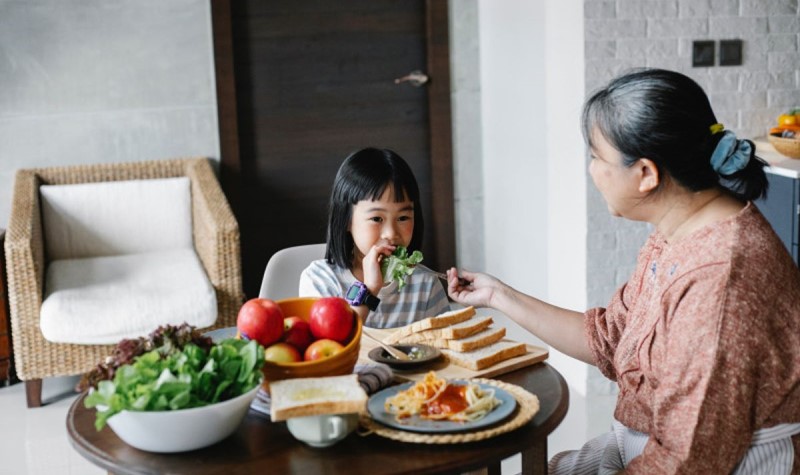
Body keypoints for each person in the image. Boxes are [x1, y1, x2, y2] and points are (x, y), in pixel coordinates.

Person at [446, 69, 800, 473]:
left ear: (646, 174)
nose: (592, 170)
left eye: (597, 157)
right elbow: (611, 340)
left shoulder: (721, 279)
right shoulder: (675, 234)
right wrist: (498, 296)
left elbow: (685, 462)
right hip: (642, 446)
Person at [300, 147, 450, 328]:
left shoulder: (425, 284)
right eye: (377, 219)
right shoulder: (320, 279)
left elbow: (445, 349)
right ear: (346, 220)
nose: (391, 233)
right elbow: (332, 347)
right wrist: (370, 289)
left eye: (403, 218)